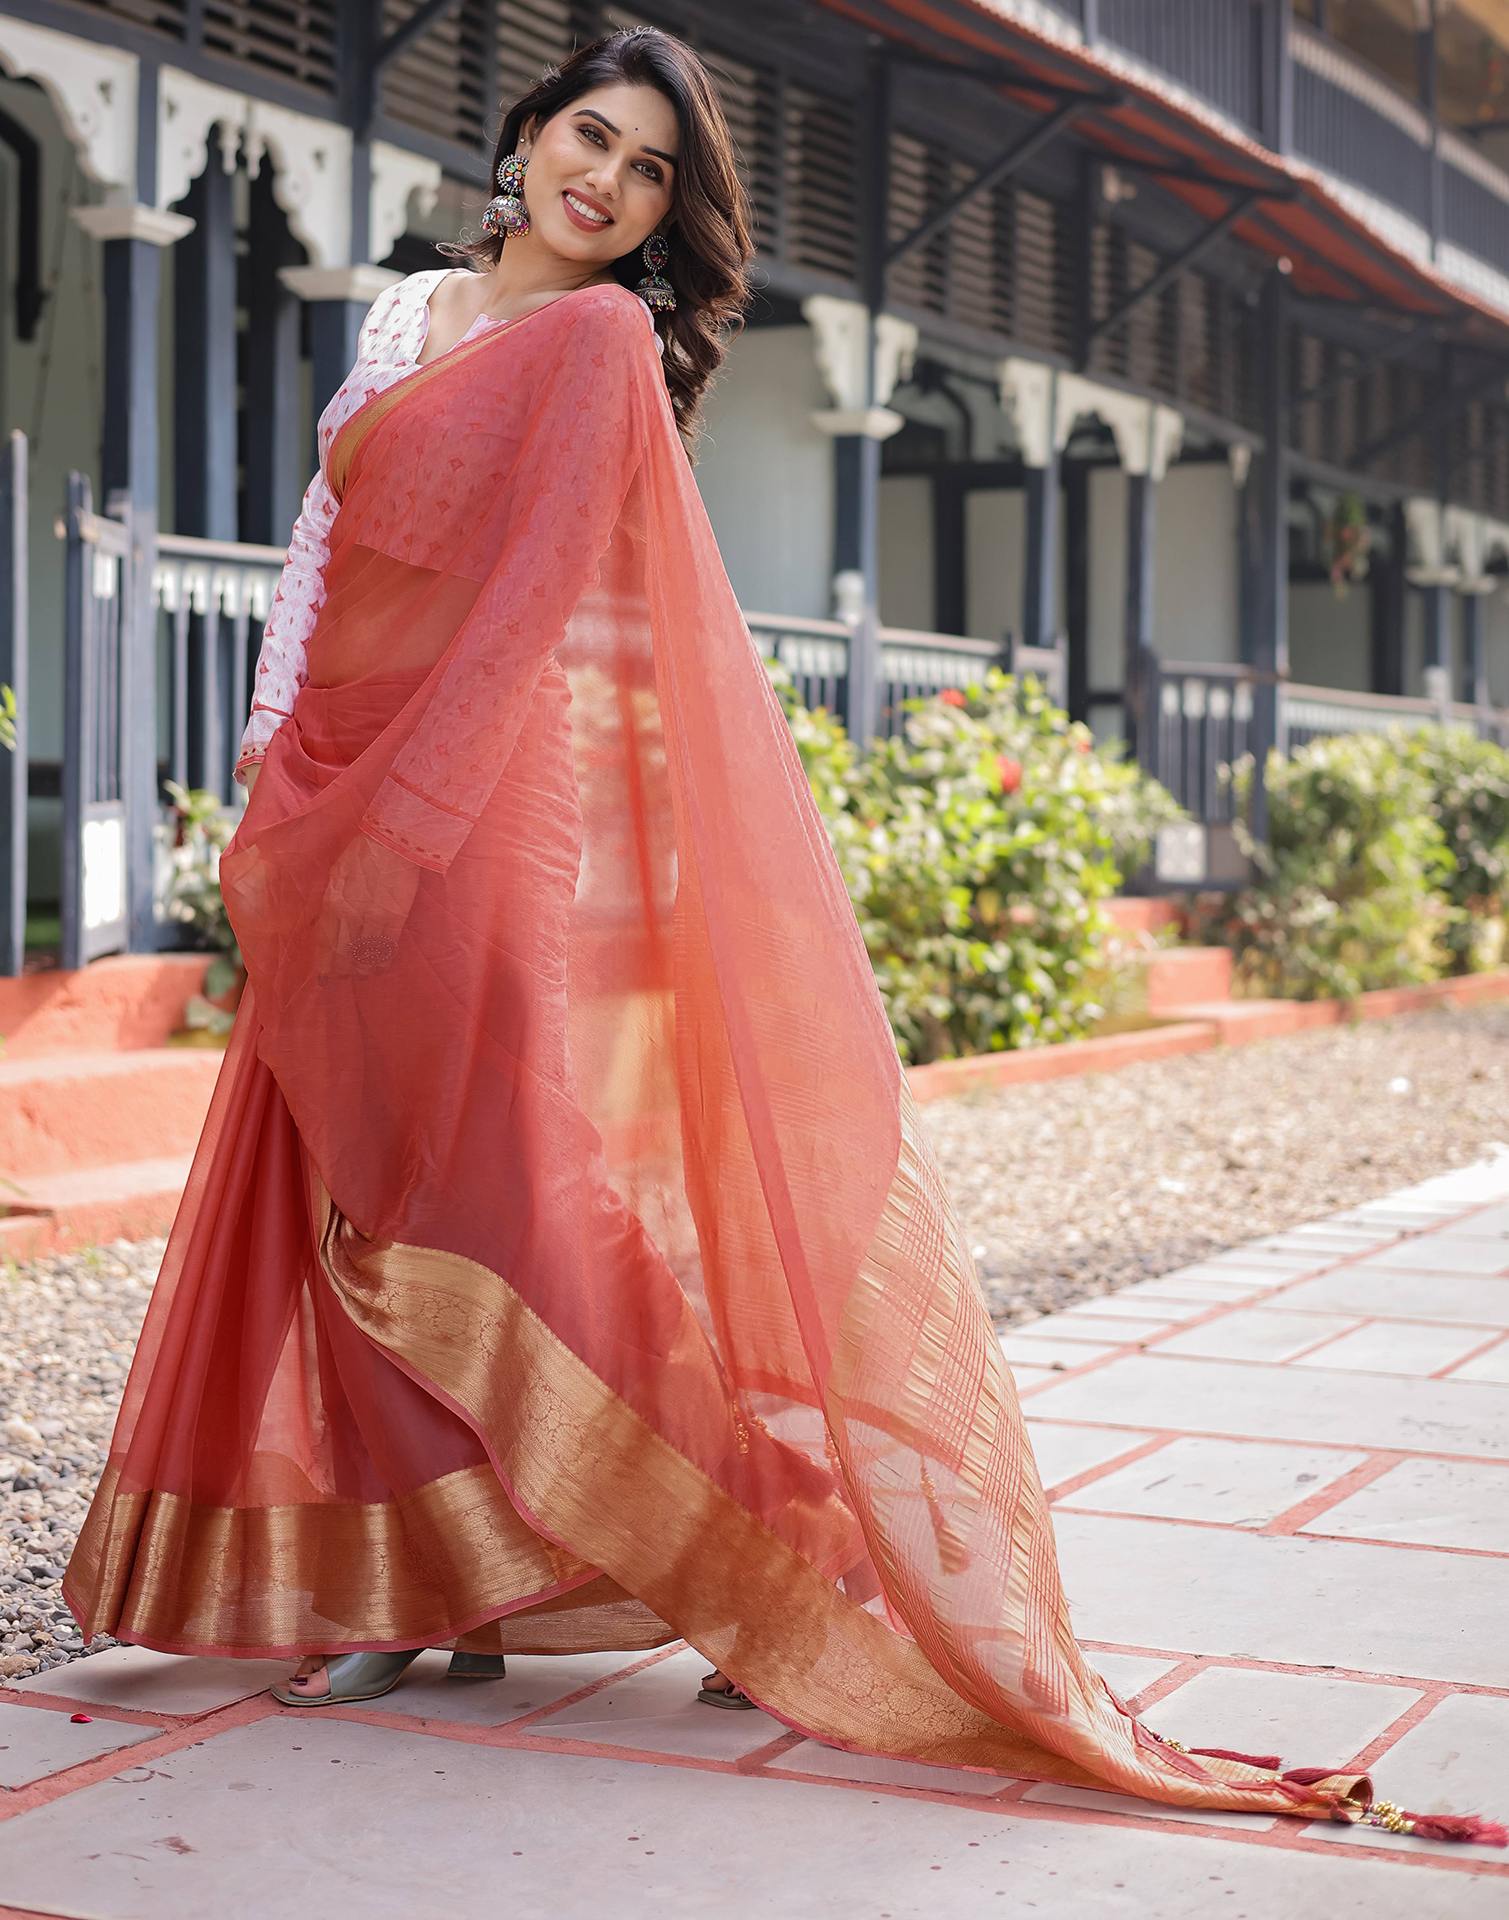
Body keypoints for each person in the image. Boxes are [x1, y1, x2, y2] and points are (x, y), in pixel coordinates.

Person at [61, 26, 1500, 1845]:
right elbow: (317, 545)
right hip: (325, 778)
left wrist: (403, 830)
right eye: (591, 134)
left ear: (667, 212)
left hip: (467, 804)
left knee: (496, 1175)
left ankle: (762, 1530)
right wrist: (279, 763)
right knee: (356, 1178)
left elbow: (524, 619)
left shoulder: (596, 346)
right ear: (522, 135)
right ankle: (432, 1584)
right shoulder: (402, 312)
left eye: (652, 169)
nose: (609, 180)